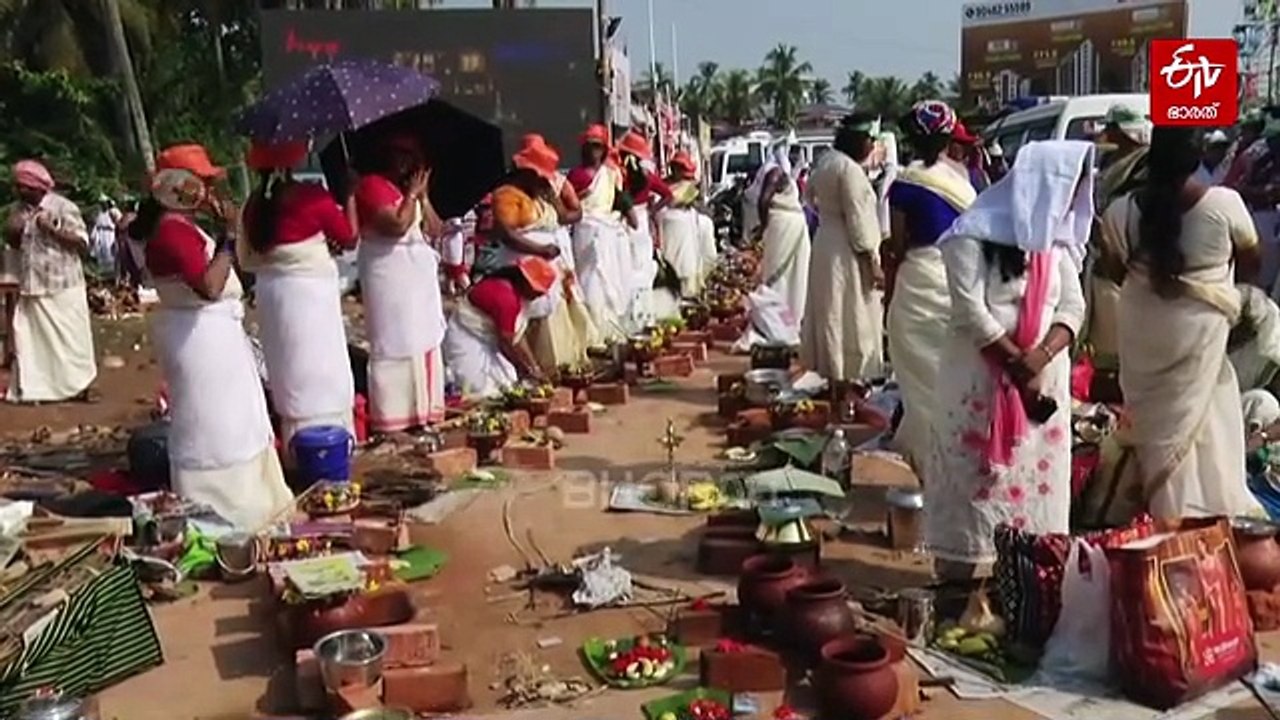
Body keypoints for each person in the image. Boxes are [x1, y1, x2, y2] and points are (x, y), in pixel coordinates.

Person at [924, 140, 1091, 575]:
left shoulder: (1055, 246)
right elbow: (970, 311)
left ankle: (1027, 579)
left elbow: (1073, 308)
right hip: (979, 381)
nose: (1075, 200)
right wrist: (1019, 364)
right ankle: (965, 581)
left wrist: (1042, 356)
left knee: (1033, 489)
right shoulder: (970, 236)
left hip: (1041, 389)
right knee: (974, 486)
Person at [132, 144, 291, 529]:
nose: (207, 191)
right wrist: (229, 235)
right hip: (199, 337)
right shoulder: (172, 232)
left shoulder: (178, 227)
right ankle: (225, 510)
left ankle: (246, 502)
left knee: (230, 417)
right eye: (202, 182)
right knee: (215, 423)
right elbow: (209, 285)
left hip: (207, 334)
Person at [1109, 126, 1264, 519]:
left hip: (1142, 329)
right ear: (1197, 158)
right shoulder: (1224, 204)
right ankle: (1205, 512)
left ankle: (1159, 511)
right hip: (1200, 331)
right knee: (1208, 418)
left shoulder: (1120, 210)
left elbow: (1113, 270)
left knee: (1156, 423)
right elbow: (1252, 266)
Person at [240, 140, 359, 458]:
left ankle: (298, 452)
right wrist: (348, 194)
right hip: (309, 296)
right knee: (321, 369)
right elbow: (349, 238)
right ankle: (333, 447)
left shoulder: (254, 205)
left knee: (288, 368)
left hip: (273, 296)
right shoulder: (310, 197)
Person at [885, 101, 977, 467]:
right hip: (957, 278)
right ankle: (957, 453)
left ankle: (928, 458)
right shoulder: (963, 180)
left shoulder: (905, 183)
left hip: (919, 279)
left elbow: (898, 244)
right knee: (950, 372)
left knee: (920, 378)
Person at [353, 133, 448, 434]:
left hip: (416, 279)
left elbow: (435, 229)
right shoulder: (372, 186)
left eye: (409, 157)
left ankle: (424, 412)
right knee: (396, 341)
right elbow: (395, 225)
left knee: (422, 340)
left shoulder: (408, 190)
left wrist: (423, 196)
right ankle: (394, 417)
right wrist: (410, 196)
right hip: (389, 276)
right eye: (398, 155)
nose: (403, 162)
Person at [491, 135, 597, 372]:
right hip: (522, 265)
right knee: (526, 317)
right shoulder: (506, 194)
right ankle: (531, 367)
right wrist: (539, 250)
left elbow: (566, 215)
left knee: (552, 313)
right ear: (525, 171)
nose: (542, 180)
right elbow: (506, 234)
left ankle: (554, 366)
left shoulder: (539, 194)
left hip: (549, 266)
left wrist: (554, 203)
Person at [801, 113, 885, 384]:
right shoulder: (849, 170)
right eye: (870, 140)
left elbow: (809, 198)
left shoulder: (826, 162)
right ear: (858, 141)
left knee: (829, 310)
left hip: (826, 241)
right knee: (851, 312)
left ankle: (828, 370)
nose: (873, 146)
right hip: (847, 249)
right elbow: (857, 218)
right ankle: (849, 378)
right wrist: (871, 261)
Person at [4, 160, 97, 403]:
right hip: (32, 285)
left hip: (62, 284)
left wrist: (52, 230)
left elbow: (83, 244)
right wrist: (13, 230)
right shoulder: (19, 210)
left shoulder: (63, 207)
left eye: (23, 187)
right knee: (31, 340)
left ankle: (77, 386)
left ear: (37, 187)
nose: (19, 191)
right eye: (17, 187)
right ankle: (38, 389)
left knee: (70, 340)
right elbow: (14, 244)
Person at [1082, 105, 1153, 369]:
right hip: (1100, 256)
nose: (1106, 137)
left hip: (1128, 259)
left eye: (1111, 130)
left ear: (1123, 133)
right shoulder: (1108, 162)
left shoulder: (1145, 165)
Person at [443, 255, 557, 398]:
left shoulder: (515, 294)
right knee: (478, 390)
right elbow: (507, 342)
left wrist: (534, 367)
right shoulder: (506, 299)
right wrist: (528, 370)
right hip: (467, 338)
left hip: (488, 343)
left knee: (507, 383)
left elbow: (517, 337)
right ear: (526, 282)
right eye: (538, 292)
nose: (538, 296)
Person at [568, 124, 631, 338]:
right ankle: (592, 330)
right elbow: (568, 205)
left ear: (604, 149)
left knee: (609, 281)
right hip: (586, 232)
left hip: (608, 232)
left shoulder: (612, 174)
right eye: (590, 146)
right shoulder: (576, 175)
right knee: (589, 278)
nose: (593, 151)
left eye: (598, 146)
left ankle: (610, 329)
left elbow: (620, 201)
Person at [617, 130, 672, 328]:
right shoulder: (648, 176)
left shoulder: (620, 176)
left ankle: (629, 318)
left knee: (626, 270)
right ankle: (645, 316)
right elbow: (668, 195)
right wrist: (651, 210)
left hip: (621, 224)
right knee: (643, 268)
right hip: (641, 222)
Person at [755, 144, 812, 324]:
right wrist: (765, 226)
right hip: (786, 224)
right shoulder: (776, 173)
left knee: (792, 273)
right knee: (781, 273)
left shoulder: (779, 174)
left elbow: (763, 201)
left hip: (787, 225)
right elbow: (763, 201)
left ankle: (786, 320)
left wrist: (764, 226)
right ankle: (779, 320)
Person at [658, 151, 717, 297]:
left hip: (684, 224)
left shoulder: (689, 186)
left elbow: (689, 200)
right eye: (677, 167)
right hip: (669, 225)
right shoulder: (664, 184)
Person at [89, 196, 122, 276]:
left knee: (110, 252)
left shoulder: (113, 212)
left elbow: (119, 221)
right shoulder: (99, 214)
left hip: (110, 234)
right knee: (101, 252)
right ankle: (102, 271)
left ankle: (111, 272)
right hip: (101, 235)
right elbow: (96, 226)